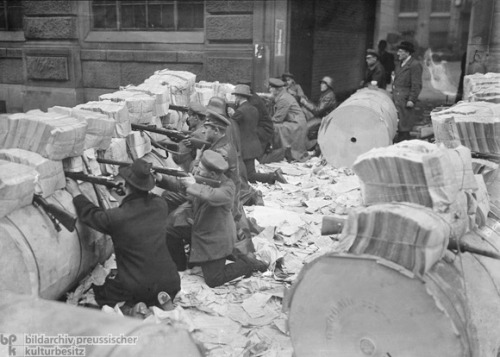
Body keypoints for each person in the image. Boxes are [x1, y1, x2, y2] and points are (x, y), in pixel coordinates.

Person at [65, 159, 181, 317]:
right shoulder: (160, 205)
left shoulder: (116, 218)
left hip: (138, 286)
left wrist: (76, 192)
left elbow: (91, 214)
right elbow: (143, 199)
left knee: (103, 293)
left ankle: (134, 309)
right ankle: (155, 304)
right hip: (170, 282)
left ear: (125, 186)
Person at [172, 150, 268, 287]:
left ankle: (246, 264)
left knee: (213, 280)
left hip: (216, 239)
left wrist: (192, 185)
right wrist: (162, 179)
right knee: (171, 230)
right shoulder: (203, 181)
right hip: (202, 230)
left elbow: (211, 196)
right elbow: (184, 190)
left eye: (200, 171)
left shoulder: (228, 187)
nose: (196, 173)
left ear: (212, 174)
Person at [232, 84, 288, 184]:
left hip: (245, 147)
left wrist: (231, 114)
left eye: (236, 96)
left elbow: (232, 125)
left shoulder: (239, 112)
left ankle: (273, 176)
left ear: (240, 96)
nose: (235, 98)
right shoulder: (253, 109)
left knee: (249, 174)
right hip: (253, 144)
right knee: (247, 174)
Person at [268, 78, 308, 162]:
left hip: (296, 124)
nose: (270, 89)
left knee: (275, 127)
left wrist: (265, 121)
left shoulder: (283, 99)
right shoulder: (283, 95)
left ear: (277, 90)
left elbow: (278, 118)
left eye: (271, 88)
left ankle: (284, 151)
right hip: (294, 122)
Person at [392, 41, 423, 142]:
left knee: (404, 125)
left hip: (405, 99)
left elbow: (416, 84)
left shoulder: (414, 65)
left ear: (407, 53)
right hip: (398, 98)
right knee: (399, 123)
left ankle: (404, 143)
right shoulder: (400, 64)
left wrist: (412, 100)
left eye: (400, 51)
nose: (398, 53)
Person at [300, 76, 338, 151]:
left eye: (324, 84)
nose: (321, 85)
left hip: (324, 118)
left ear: (328, 86)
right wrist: (307, 101)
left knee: (304, 127)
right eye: (321, 83)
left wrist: (305, 102)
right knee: (303, 110)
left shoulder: (328, 96)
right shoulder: (326, 93)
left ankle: (310, 144)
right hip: (322, 116)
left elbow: (318, 110)